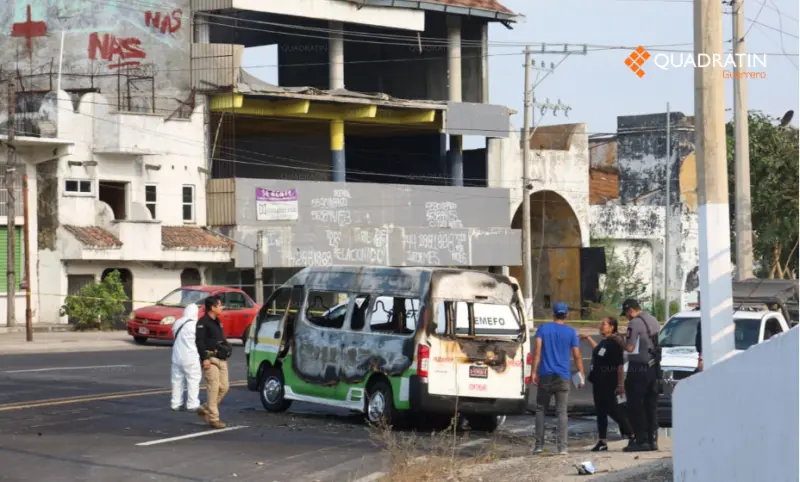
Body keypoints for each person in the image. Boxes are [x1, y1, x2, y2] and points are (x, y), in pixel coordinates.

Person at [532, 301, 585, 455]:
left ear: (553, 314)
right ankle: (562, 447)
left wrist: (533, 372)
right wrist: (581, 373)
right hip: (563, 376)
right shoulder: (571, 332)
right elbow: (577, 355)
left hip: (545, 375)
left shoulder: (543, 329)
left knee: (541, 409)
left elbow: (537, 352)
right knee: (562, 412)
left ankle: (539, 446)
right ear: (566, 315)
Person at [580, 316, 634, 451]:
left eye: (603, 324)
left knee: (613, 409)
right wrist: (588, 338)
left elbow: (620, 365)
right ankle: (602, 441)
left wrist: (620, 385)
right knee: (600, 411)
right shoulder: (604, 342)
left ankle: (631, 434)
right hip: (598, 381)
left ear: (611, 327)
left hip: (608, 382)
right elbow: (598, 351)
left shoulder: (615, 343)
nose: (601, 326)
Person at [620, 298, 661, 452]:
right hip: (653, 367)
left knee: (635, 405)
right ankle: (652, 440)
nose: (626, 317)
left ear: (630, 310)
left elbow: (630, 347)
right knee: (651, 404)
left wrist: (618, 339)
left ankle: (641, 440)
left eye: (626, 314)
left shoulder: (634, 323)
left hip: (638, 368)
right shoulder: (653, 320)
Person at [196, 295, 231, 429]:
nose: (222, 307)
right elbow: (199, 342)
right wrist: (204, 358)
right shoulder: (203, 322)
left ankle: (205, 408)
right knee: (214, 387)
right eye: (219, 305)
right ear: (212, 307)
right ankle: (214, 418)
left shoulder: (218, 321)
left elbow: (221, 338)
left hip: (221, 358)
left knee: (224, 387)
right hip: (210, 359)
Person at [170, 303, 202, 412]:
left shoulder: (177, 322)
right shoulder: (195, 325)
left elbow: (174, 335)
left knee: (177, 380)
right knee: (193, 380)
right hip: (191, 357)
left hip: (177, 356)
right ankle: (192, 404)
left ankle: (175, 403)